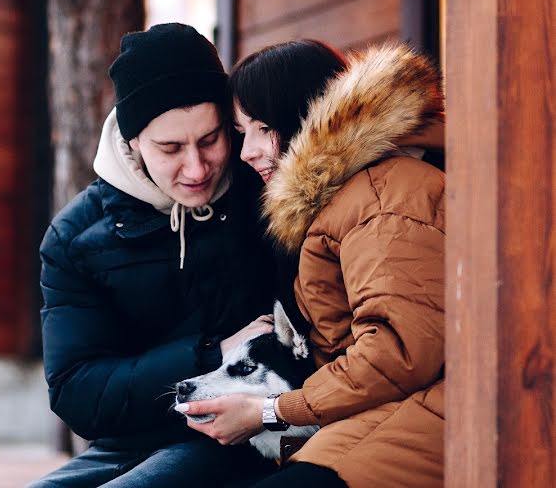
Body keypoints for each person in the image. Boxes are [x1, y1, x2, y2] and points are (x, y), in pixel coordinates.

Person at [180, 40, 446, 487]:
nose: (246, 152)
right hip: (373, 407)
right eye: (242, 132)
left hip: (429, 410)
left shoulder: (386, 197)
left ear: (304, 119)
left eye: (262, 128)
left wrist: (270, 413)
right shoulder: (333, 201)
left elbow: (397, 352)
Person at [29, 23, 276, 487]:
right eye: (170, 148)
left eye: (211, 139)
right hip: (128, 444)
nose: (197, 168)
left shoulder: (262, 192)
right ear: (133, 142)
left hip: (247, 436)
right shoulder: (77, 236)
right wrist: (211, 355)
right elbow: (77, 392)